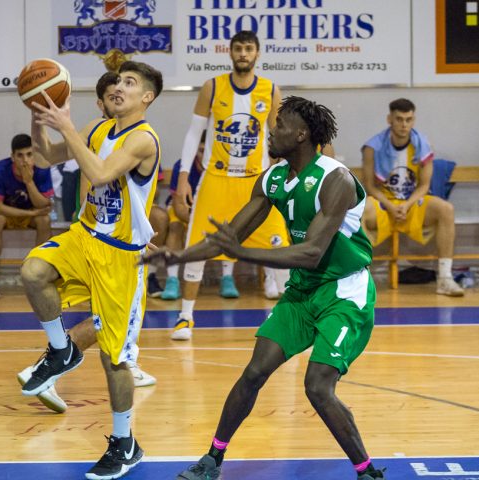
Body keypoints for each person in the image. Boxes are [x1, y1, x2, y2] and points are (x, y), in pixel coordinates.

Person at [145, 96, 384, 480]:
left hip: (344, 294)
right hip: (302, 293)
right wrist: (177, 257)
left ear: (302, 134)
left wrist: (242, 254)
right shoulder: (272, 178)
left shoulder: (335, 178)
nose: (271, 131)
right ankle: (212, 459)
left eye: (280, 125)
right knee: (255, 371)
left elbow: (310, 252)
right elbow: (230, 237)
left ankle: (367, 470)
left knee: (318, 387)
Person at [20, 61, 163, 479]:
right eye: (117, 81)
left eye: (130, 83)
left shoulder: (144, 140)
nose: (119, 86)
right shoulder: (99, 129)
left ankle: (125, 443)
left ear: (147, 98)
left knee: (115, 359)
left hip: (120, 256)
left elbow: (99, 172)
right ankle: (61, 349)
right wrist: (37, 119)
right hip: (85, 237)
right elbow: (47, 156)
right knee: (32, 272)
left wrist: (65, 125)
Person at [172, 30, 291, 340]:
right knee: (198, 247)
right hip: (216, 179)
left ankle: (293, 317)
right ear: (230, 52)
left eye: (248, 48)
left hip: (257, 181)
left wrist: (286, 172)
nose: (243, 53)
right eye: (238, 48)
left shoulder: (271, 90)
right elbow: (192, 134)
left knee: (281, 247)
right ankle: (185, 317)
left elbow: (279, 136)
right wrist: (183, 177)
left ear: (257, 53)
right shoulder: (212, 87)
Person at [361, 98, 465, 296]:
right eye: (399, 119)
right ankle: (360, 279)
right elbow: (369, 186)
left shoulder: (423, 145)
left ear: (413, 120)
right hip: (384, 202)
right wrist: (391, 207)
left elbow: (424, 185)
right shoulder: (372, 147)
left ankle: (444, 278)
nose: (404, 124)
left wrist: (407, 204)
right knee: (358, 212)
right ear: (389, 119)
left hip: (411, 202)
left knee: (446, 210)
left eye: (408, 119)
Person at [0, 133, 53, 299]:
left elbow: (44, 206)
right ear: (12, 156)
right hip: (5, 212)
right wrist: (31, 213)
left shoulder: (42, 169)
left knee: (44, 220)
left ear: (35, 155)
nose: (25, 160)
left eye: (29, 154)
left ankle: (40, 275)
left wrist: (29, 182)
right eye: (20, 155)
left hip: (28, 212)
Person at [160, 133, 206, 300]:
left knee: (225, 227)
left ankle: (227, 278)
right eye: (200, 150)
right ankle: (172, 280)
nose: (203, 154)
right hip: (182, 210)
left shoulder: (217, 168)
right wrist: (196, 222)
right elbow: (179, 208)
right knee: (175, 226)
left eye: (206, 150)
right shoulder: (182, 167)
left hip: (206, 212)